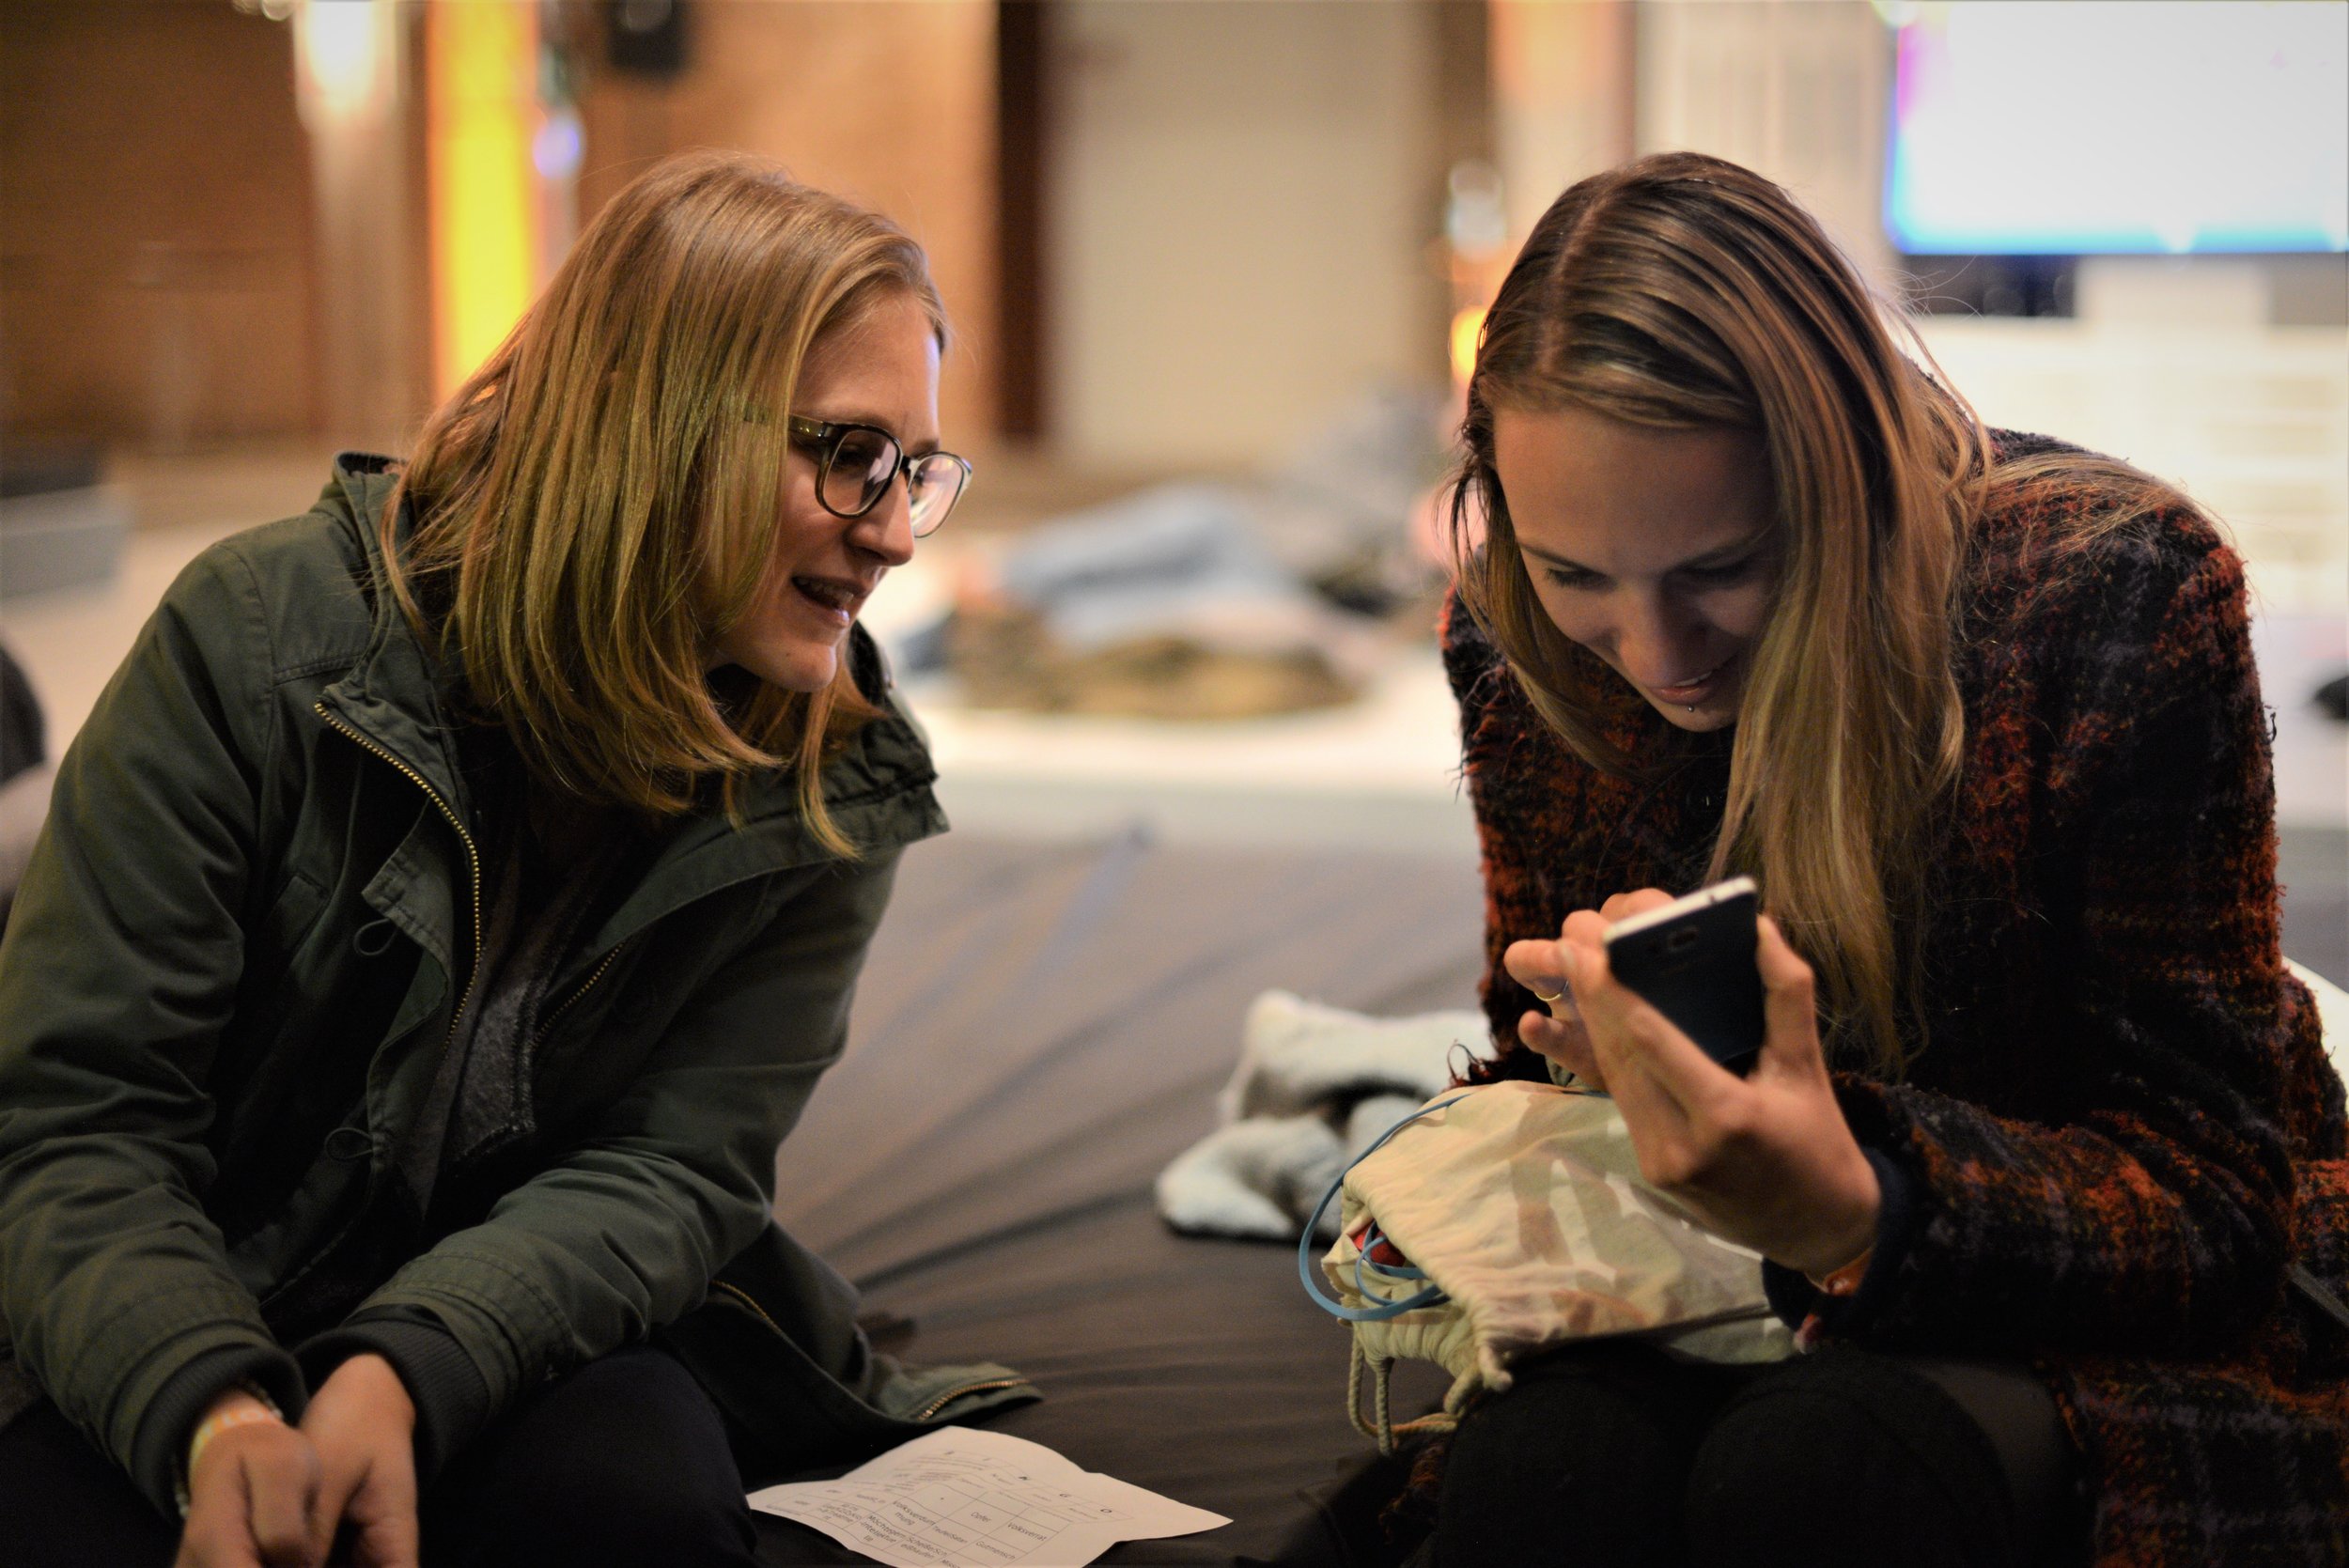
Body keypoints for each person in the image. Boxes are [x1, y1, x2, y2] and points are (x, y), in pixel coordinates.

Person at [0, 150, 1031, 1568]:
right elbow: (79, 1129)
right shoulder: (249, 642)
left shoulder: (833, 769)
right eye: (851, 456)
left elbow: (676, 1167)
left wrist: (407, 1366)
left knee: (636, 1511)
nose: (900, 532)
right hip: (187, 1292)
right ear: (661, 426)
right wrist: (213, 1409)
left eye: (916, 470)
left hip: (511, 1326)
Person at [1415, 152, 2347, 1568]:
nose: (1657, 654)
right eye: (1576, 574)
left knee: (1833, 1476)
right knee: (1541, 1479)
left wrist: (1861, 1199)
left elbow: (2214, 1206)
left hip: (2106, 1303)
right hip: (1722, 1277)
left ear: (1840, 472)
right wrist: (1600, 1065)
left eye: (1723, 565)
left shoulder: (2117, 592)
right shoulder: (1514, 641)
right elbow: (1533, 1048)